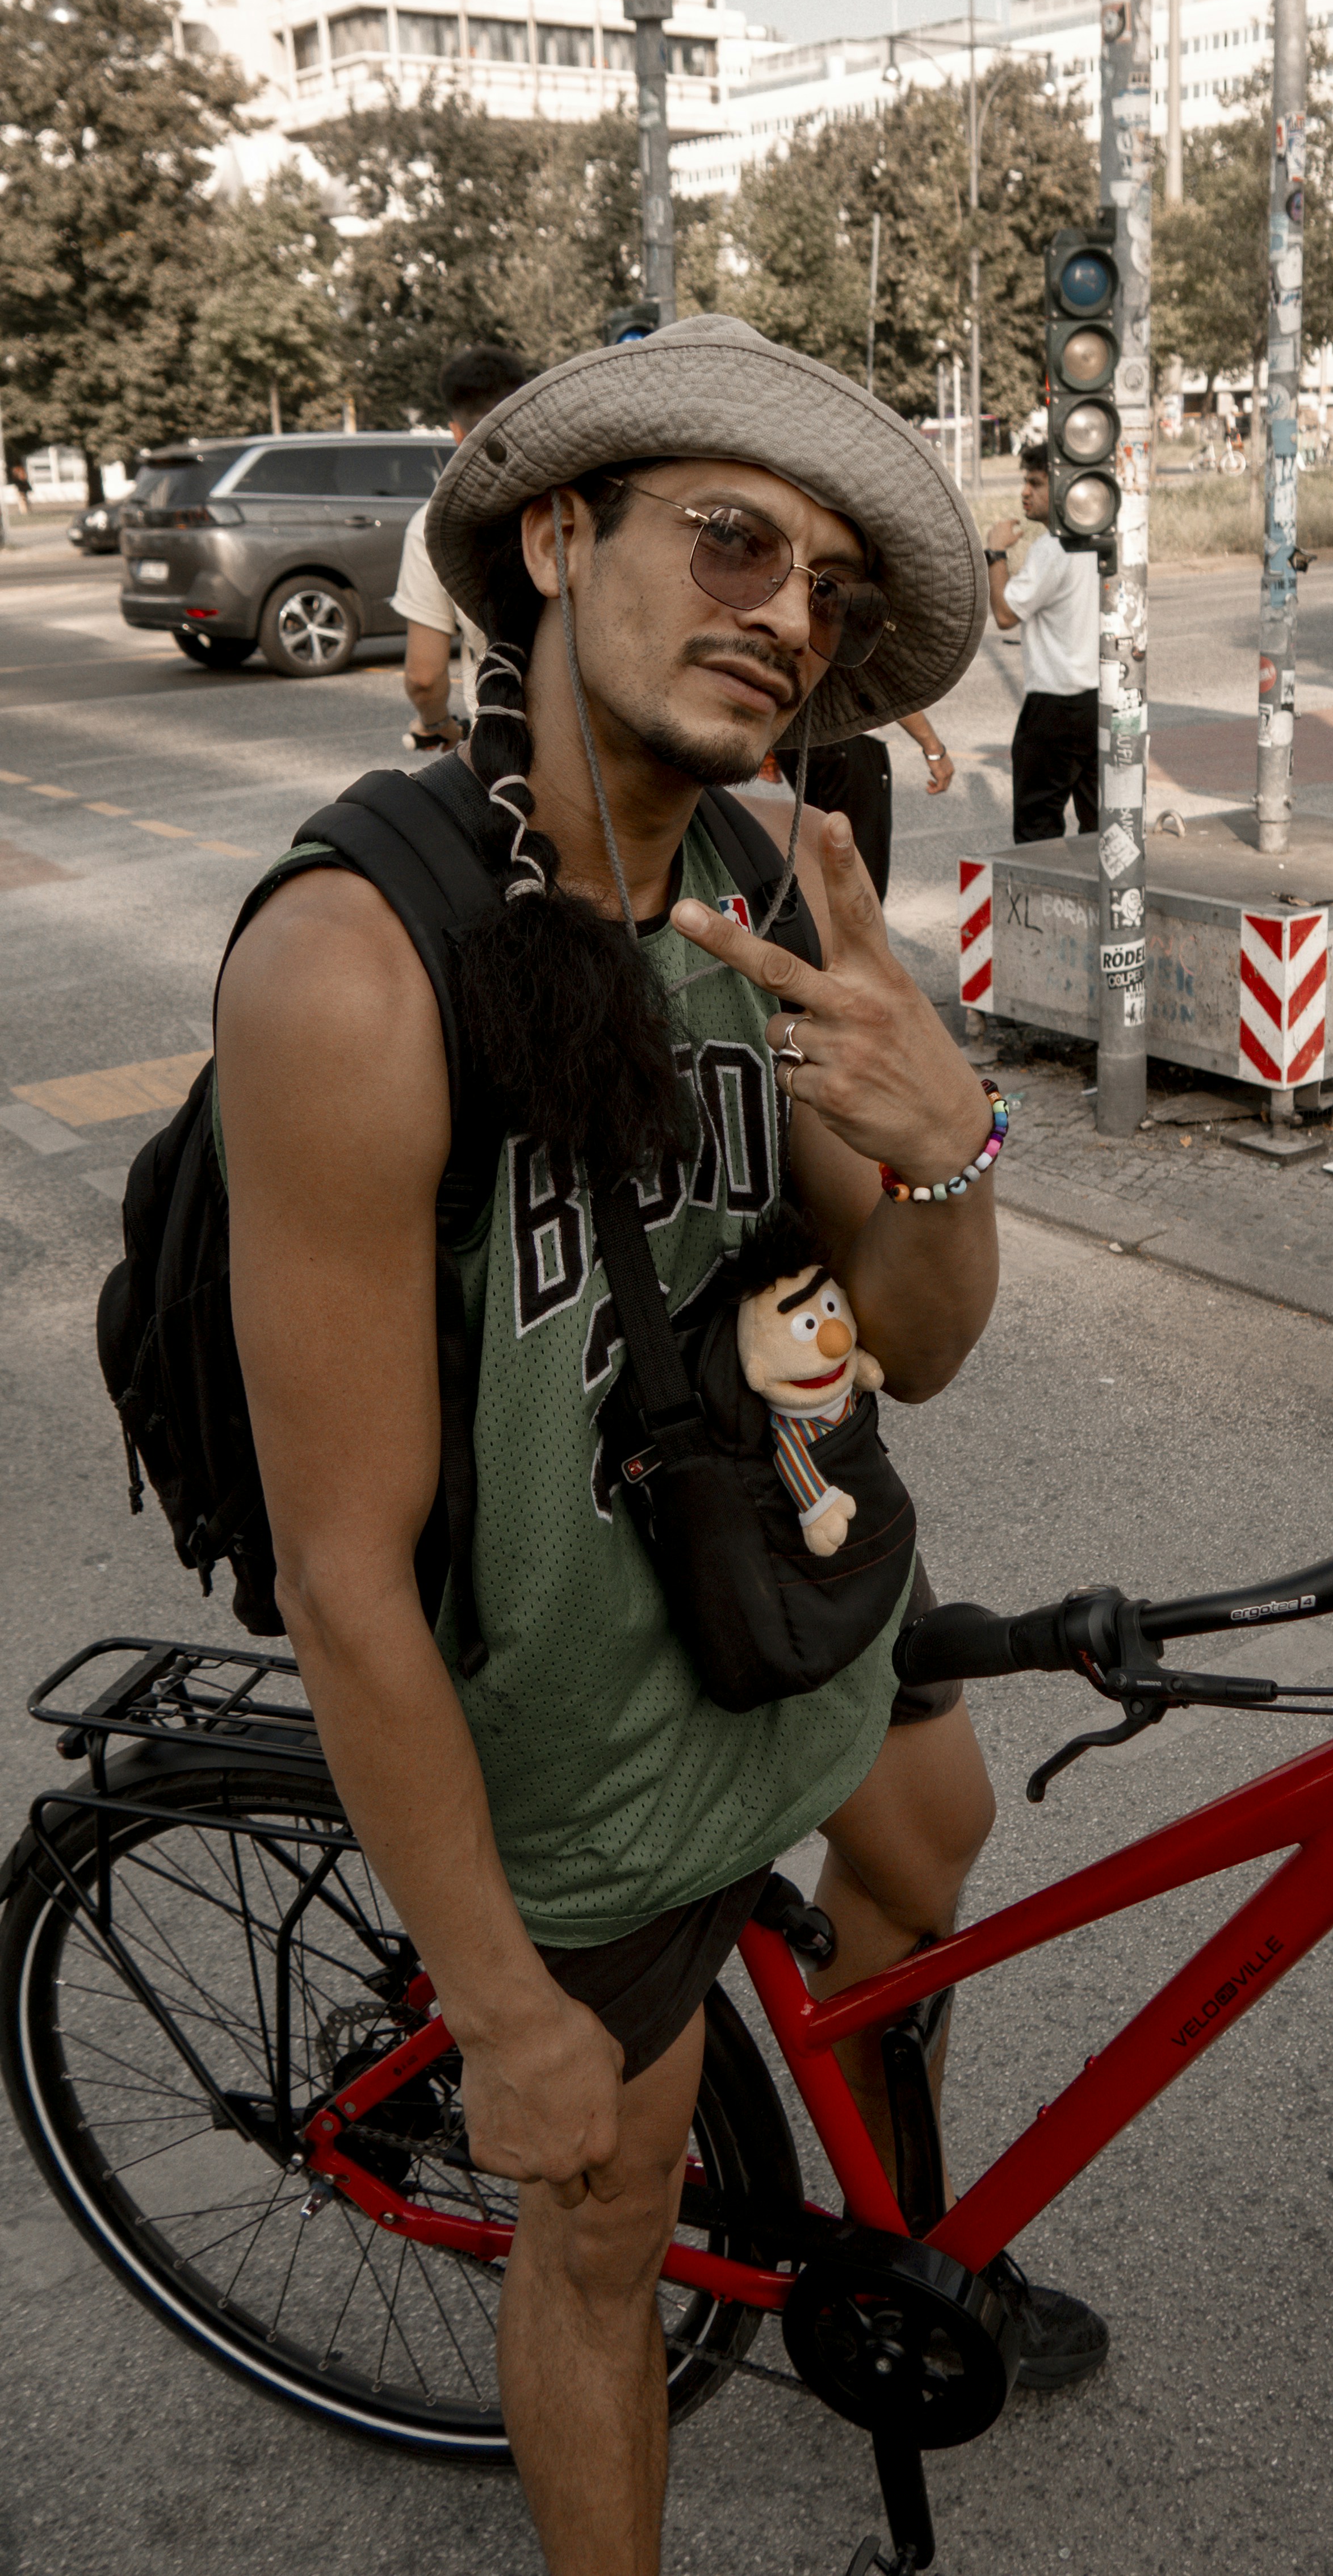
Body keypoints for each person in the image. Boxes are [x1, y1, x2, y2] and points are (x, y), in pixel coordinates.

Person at [215, 316, 1105, 2576]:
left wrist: (946, 1154)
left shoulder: (781, 879)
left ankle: (897, 2270)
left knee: (929, 1849)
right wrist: (500, 2007)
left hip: (782, 1564)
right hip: (562, 1729)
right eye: (730, 538)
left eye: (821, 581)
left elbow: (917, 1347)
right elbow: (344, 1565)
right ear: (554, 537)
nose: (785, 609)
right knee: (598, 2232)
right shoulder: (357, 962)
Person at [393, 342, 534, 751]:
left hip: (507, 746)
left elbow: (424, 677)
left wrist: (435, 723)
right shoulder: (578, 499)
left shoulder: (434, 525)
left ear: (457, 434)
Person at [986, 439, 1100, 844]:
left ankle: (1046, 904)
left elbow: (1004, 615)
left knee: (1037, 825)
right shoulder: (1095, 536)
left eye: (1035, 483)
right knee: (1099, 823)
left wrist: (995, 554)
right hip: (1095, 699)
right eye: (1025, 482)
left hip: (1056, 704)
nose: (1024, 492)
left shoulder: (1052, 547)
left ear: (1065, 487)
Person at [776, 706, 954, 900]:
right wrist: (934, 750)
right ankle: (847, 928)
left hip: (794, 736)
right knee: (860, 874)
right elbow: (889, 684)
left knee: (823, 858)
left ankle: (824, 927)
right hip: (847, 733)